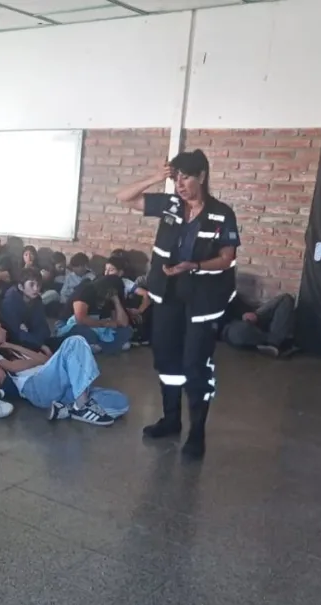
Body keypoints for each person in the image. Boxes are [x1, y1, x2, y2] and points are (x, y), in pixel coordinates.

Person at [116, 150, 240, 459]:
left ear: (202, 177)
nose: (180, 184)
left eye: (186, 177)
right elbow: (124, 197)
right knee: (168, 360)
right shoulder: (171, 205)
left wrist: (194, 265)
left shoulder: (222, 213)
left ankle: (197, 432)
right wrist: (157, 177)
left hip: (202, 300)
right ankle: (171, 419)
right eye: (176, 178)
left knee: (195, 365)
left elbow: (228, 258)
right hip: (168, 295)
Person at [0, 319, 127, 426]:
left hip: (57, 383)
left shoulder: (15, 347)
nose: (4, 330)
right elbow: (13, 367)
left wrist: (11, 345)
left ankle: (68, 409)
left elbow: (45, 358)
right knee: (75, 341)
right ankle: (81, 406)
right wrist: (39, 361)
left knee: (121, 402)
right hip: (36, 386)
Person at [59, 275, 134, 355]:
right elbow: (80, 319)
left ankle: (96, 346)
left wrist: (116, 301)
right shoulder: (86, 290)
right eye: (110, 292)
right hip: (72, 324)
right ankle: (107, 345)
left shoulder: (112, 298)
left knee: (127, 330)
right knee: (86, 333)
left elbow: (123, 323)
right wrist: (104, 323)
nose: (110, 295)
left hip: (100, 329)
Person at [222, 292, 297, 357]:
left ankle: (273, 343)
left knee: (286, 299)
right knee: (239, 331)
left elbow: (242, 306)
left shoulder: (228, 293)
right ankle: (274, 342)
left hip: (254, 315)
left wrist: (248, 314)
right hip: (233, 326)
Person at [0, 269, 52, 350]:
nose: (36, 289)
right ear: (21, 287)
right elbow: (15, 333)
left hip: (34, 339)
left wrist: (41, 342)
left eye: (38, 284)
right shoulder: (9, 302)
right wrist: (40, 346)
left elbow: (42, 325)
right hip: (13, 344)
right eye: (31, 284)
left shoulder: (37, 299)